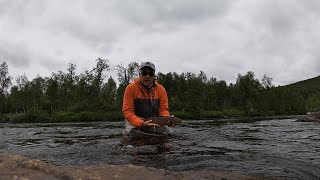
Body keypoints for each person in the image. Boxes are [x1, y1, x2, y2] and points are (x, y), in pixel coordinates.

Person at [122, 61, 173, 135]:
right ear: (140, 74)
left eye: (151, 74)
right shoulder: (130, 88)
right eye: (144, 73)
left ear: (154, 76)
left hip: (154, 120)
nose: (147, 76)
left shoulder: (161, 90)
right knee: (130, 133)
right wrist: (141, 124)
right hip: (135, 119)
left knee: (168, 133)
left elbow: (163, 110)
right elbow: (128, 112)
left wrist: (166, 119)